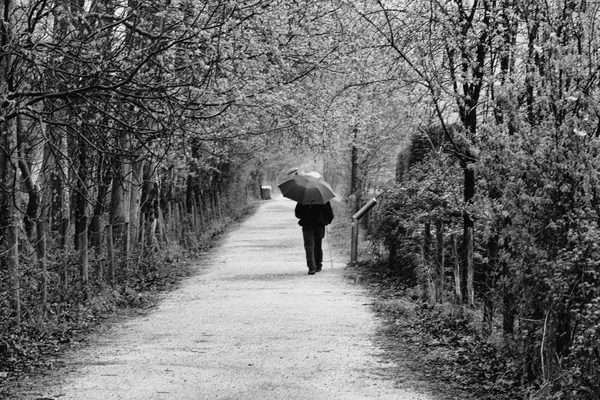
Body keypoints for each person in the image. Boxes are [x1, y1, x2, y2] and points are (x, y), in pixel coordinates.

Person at [295, 201, 334, 275]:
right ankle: (318, 264)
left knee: (309, 245)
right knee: (318, 243)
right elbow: (330, 214)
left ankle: (311, 267)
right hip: (319, 224)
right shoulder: (323, 199)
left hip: (307, 224)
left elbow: (298, 214)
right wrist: (327, 221)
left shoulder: (303, 199)